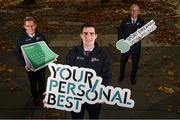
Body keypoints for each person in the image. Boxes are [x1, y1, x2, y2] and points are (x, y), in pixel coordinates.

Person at [65, 22, 112, 119]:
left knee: (94, 117)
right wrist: (54, 91)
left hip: (94, 96)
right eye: (85, 33)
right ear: (81, 36)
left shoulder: (102, 54)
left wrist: (101, 91)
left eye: (91, 33)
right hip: (76, 97)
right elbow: (65, 73)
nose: (88, 36)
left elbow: (107, 75)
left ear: (95, 36)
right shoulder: (73, 53)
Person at [14, 16, 47, 106]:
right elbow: (16, 53)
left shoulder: (41, 36)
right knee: (33, 82)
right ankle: (35, 97)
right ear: (24, 26)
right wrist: (24, 64)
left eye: (32, 25)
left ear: (35, 25)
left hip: (41, 63)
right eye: (28, 26)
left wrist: (50, 58)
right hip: (30, 65)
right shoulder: (21, 39)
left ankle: (43, 94)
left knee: (42, 80)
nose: (31, 28)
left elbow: (46, 49)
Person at [117, 4, 145, 84]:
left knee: (135, 63)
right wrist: (120, 42)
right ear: (130, 11)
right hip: (125, 46)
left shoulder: (141, 21)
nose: (134, 12)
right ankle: (121, 75)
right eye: (132, 10)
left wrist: (142, 37)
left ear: (139, 12)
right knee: (123, 62)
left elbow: (144, 33)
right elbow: (120, 32)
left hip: (136, 47)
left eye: (136, 10)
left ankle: (133, 77)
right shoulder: (125, 21)